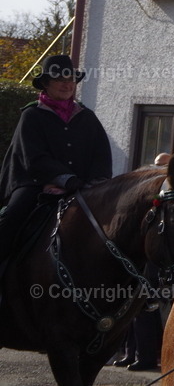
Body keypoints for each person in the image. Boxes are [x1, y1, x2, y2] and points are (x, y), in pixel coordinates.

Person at [0, 55, 112, 264]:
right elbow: (33, 158)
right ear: (46, 83)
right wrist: (65, 179)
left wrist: (96, 183)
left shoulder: (87, 116)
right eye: (60, 79)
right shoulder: (32, 115)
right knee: (12, 218)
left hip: (82, 185)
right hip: (33, 183)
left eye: (70, 79)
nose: (67, 84)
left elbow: (101, 155)